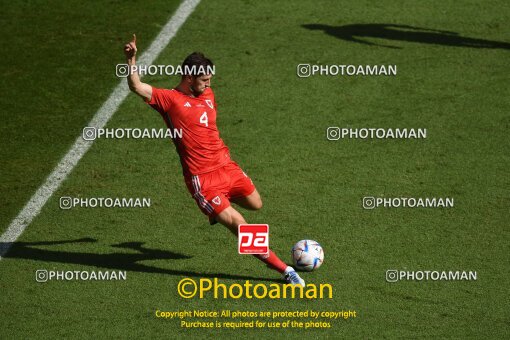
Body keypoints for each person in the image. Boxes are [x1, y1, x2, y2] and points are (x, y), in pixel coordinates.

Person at [123, 34, 304, 286]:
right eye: (204, 80)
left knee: (256, 204)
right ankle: (285, 270)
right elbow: (136, 86)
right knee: (241, 226)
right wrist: (131, 59)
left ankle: (218, 209)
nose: (208, 84)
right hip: (204, 181)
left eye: (210, 79)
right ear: (189, 77)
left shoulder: (208, 94)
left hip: (227, 167)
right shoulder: (169, 99)